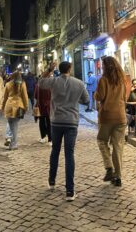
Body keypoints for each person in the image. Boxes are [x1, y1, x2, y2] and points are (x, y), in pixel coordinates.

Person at [39, 61, 89, 201]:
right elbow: (86, 100)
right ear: (70, 69)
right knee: (69, 154)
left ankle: (52, 181)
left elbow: (41, 82)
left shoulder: (53, 81)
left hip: (56, 122)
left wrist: (49, 69)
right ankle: (70, 191)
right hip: (71, 122)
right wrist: (73, 100)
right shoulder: (79, 83)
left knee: (55, 151)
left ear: (58, 70)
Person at [95, 56, 127, 187]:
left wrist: (95, 95)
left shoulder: (103, 80)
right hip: (120, 116)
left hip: (107, 117)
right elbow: (125, 97)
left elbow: (99, 96)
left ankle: (109, 167)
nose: (101, 67)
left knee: (102, 141)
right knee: (118, 146)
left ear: (106, 67)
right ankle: (118, 177)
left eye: (102, 65)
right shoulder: (122, 80)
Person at [2, 71, 28, 150]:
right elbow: (25, 96)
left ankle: (9, 137)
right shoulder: (22, 84)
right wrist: (26, 107)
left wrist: (3, 107)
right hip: (18, 106)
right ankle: (13, 144)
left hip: (9, 105)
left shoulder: (7, 84)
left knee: (10, 123)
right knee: (15, 125)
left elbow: (5, 97)